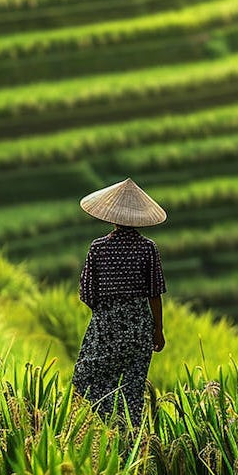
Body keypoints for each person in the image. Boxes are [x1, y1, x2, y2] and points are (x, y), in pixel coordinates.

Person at [72, 177, 167, 428]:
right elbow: (155, 294)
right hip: (139, 326)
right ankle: (129, 433)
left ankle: (103, 427)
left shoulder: (98, 248)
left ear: (112, 216)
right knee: (132, 385)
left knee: (87, 377)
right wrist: (158, 329)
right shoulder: (148, 248)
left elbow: (87, 293)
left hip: (106, 325)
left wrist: (106, 313)